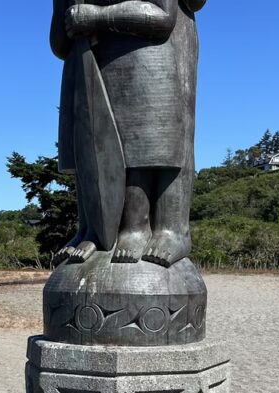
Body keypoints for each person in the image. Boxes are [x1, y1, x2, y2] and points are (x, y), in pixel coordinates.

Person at [50, 0, 206, 268]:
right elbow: (59, 45)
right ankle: (93, 231)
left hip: (146, 55)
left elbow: (162, 17)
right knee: (89, 147)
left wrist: (99, 16)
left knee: (145, 143)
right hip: (89, 63)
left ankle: (150, 228)